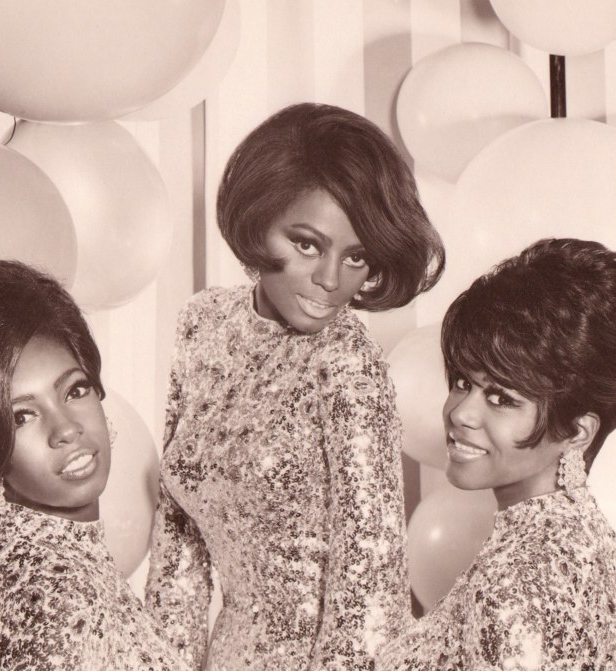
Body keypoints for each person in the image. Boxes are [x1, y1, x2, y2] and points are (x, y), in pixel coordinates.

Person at [144, 102, 445, 670]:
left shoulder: (348, 366)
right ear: (257, 219)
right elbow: (177, 538)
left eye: (357, 257)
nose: (331, 281)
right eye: (308, 243)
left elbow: (371, 600)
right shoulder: (202, 324)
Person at [0, 260, 188, 671]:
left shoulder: (28, 557)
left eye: (74, 389)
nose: (65, 429)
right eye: (21, 417)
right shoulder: (49, 595)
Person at [377, 238, 616, 670]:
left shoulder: (522, 576)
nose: (460, 413)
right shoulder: (586, 547)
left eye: (502, 398)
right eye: (463, 382)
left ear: (578, 432)